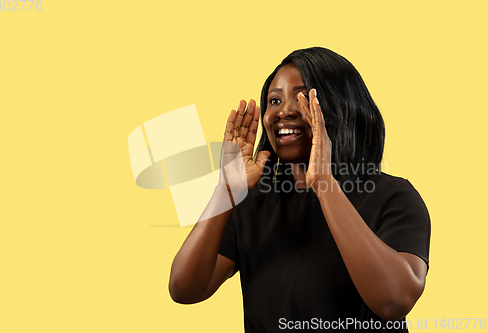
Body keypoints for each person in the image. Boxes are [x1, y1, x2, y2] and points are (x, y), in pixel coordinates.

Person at [169, 47, 431, 332]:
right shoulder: (252, 204)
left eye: (303, 97)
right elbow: (184, 289)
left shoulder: (393, 197)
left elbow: (394, 301)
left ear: (341, 106)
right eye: (274, 100)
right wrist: (227, 190)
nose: (284, 111)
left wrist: (324, 183)